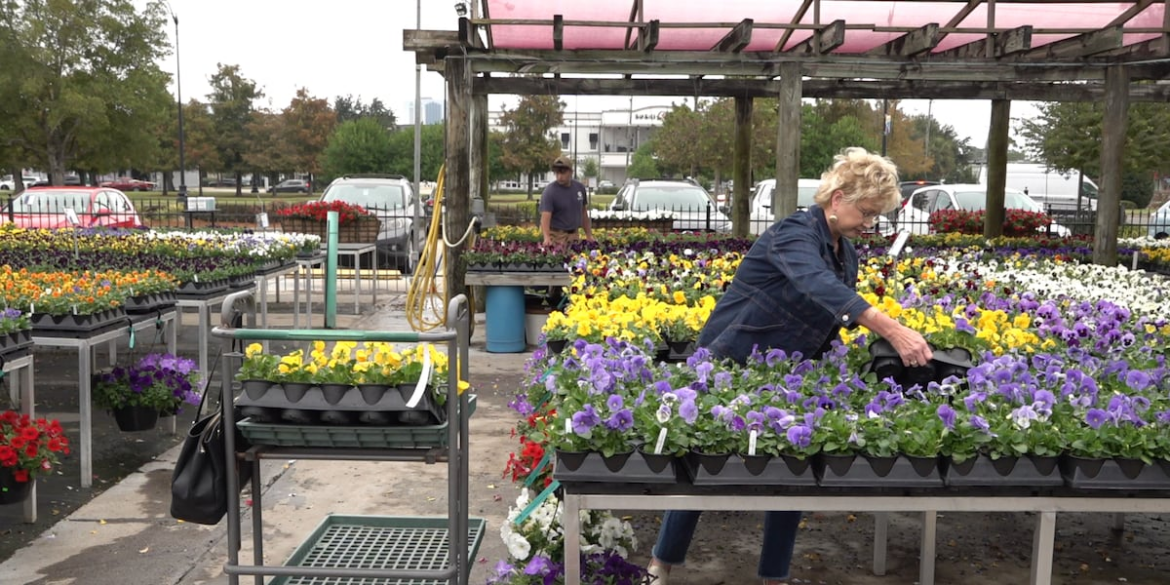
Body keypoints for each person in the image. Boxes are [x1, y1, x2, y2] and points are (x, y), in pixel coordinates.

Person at [647, 147, 933, 585]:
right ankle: (661, 565)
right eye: (867, 212)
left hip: (792, 371)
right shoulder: (794, 233)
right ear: (837, 199)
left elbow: (829, 311)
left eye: (876, 216)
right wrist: (890, 329)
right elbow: (814, 284)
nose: (870, 223)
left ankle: (774, 577)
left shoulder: (845, 251)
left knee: (791, 467)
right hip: (731, 361)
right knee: (704, 465)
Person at [539, 155, 593, 246]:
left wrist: (589, 235)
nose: (559, 176)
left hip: (574, 235)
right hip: (556, 236)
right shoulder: (549, 192)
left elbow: (583, 213)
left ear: (571, 172)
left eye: (563, 173)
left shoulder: (579, 188)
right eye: (557, 173)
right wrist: (547, 237)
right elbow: (545, 217)